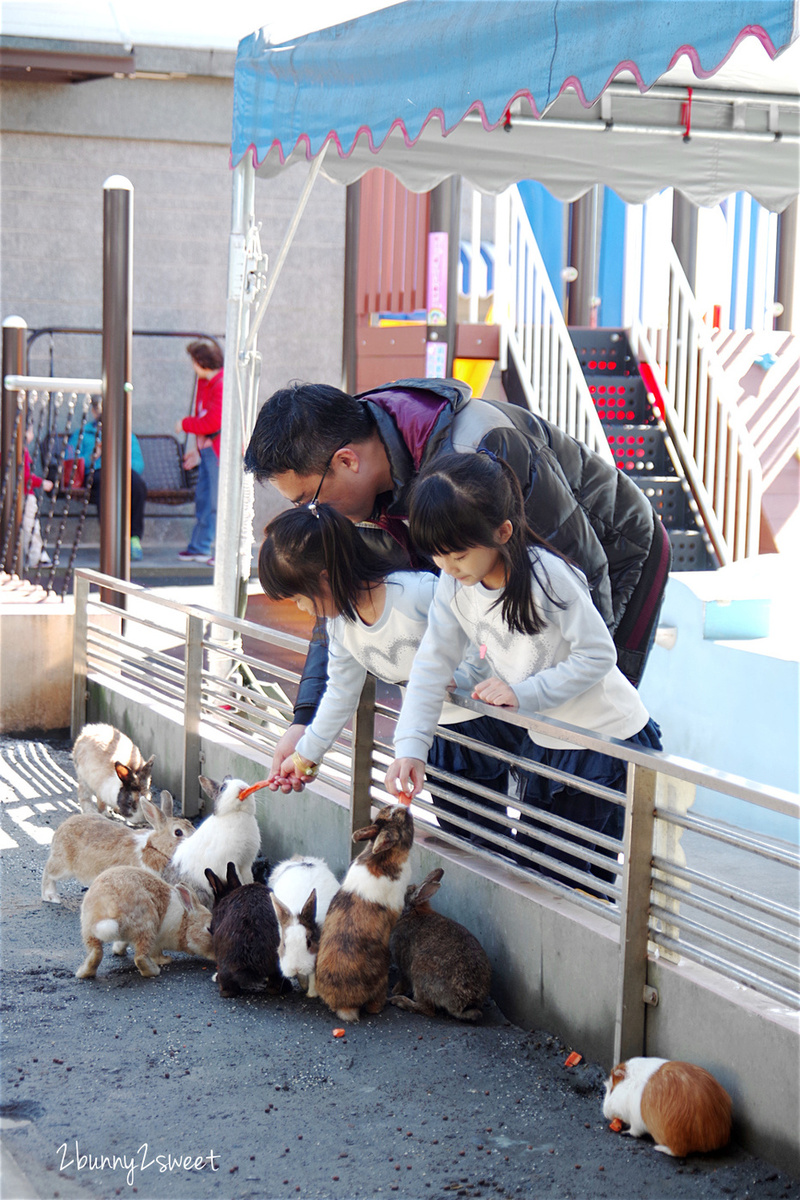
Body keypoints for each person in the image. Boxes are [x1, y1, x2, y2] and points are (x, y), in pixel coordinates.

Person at [244, 378, 671, 776]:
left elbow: (581, 573)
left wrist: (560, 711)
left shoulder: (479, 452)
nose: (311, 517)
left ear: (346, 460)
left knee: (587, 733)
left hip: (616, 554)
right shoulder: (356, 500)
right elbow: (337, 600)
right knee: (514, 714)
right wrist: (306, 721)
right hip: (513, 579)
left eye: (309, 502)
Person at [384, 451, 662, 888]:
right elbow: (431, 664)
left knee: (569, 880)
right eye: (436, 555)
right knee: (547, 875)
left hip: (602, 738)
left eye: (457, 553)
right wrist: (410, 748)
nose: (447, 566)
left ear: (503, 531)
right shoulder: (455, 585)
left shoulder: (548, 577)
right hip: (550, 737)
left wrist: (525, 693)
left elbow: (598, 655)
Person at [257, 501, 521, 844]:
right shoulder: (340, 625)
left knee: (491, 838)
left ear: (324, 579)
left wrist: (465, 675)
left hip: (478, 726)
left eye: (298, 599)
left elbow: (483, 634)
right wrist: (305, 756)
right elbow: (340, 693)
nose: (303, 609)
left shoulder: (416, 593)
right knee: (462, 839)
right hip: (429, 737)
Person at [69, 400, 147, 560]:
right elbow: (70, 463)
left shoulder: (126, 434)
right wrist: (94, 456)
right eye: (99, 408)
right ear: (93, 411)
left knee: (138, 485)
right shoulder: (82, 434)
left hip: (123, 472)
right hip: (96, 474)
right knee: (105, 483)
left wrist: (119, 458)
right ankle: (111, 539)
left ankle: (134, 538)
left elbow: (138, 464)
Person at [176, 340, 223, 563]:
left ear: (202, 362)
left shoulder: (220, 384)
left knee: (216, 502)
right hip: (208, 450)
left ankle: (219, 552)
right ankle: (200, 547)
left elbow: (212, 422)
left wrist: (186, 424)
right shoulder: (207, 383)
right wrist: (196, 449)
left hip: (218, 451)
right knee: (204, 500)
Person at [21, 423, 53, 568]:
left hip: (22, 495)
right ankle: (36, 558)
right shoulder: (22, 451)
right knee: (31, 526)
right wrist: (42, 482)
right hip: (26, 495)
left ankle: (36, 556)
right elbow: (25, 476)